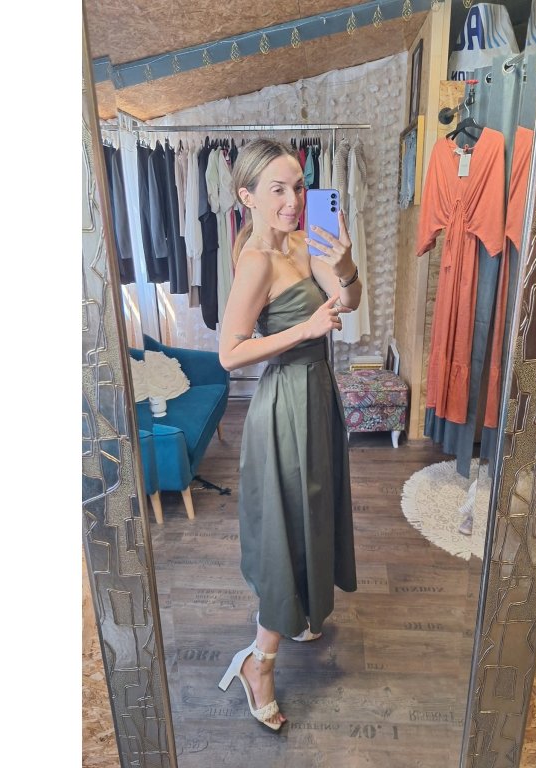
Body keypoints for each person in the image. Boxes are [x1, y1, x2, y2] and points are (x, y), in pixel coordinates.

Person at [216, 139, 362, 731]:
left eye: (298, 186)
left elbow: (348, 300)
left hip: (317, 396)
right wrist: (303, 328)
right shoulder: (256, 261)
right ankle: (259, 664)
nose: (294, 200)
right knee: (286, 530)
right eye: (277, 189)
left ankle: (299, 612)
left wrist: (345, 264)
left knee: (313, 511)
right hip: (283, 407)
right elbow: (230, 353)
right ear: (247, 196)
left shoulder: (305, 241)